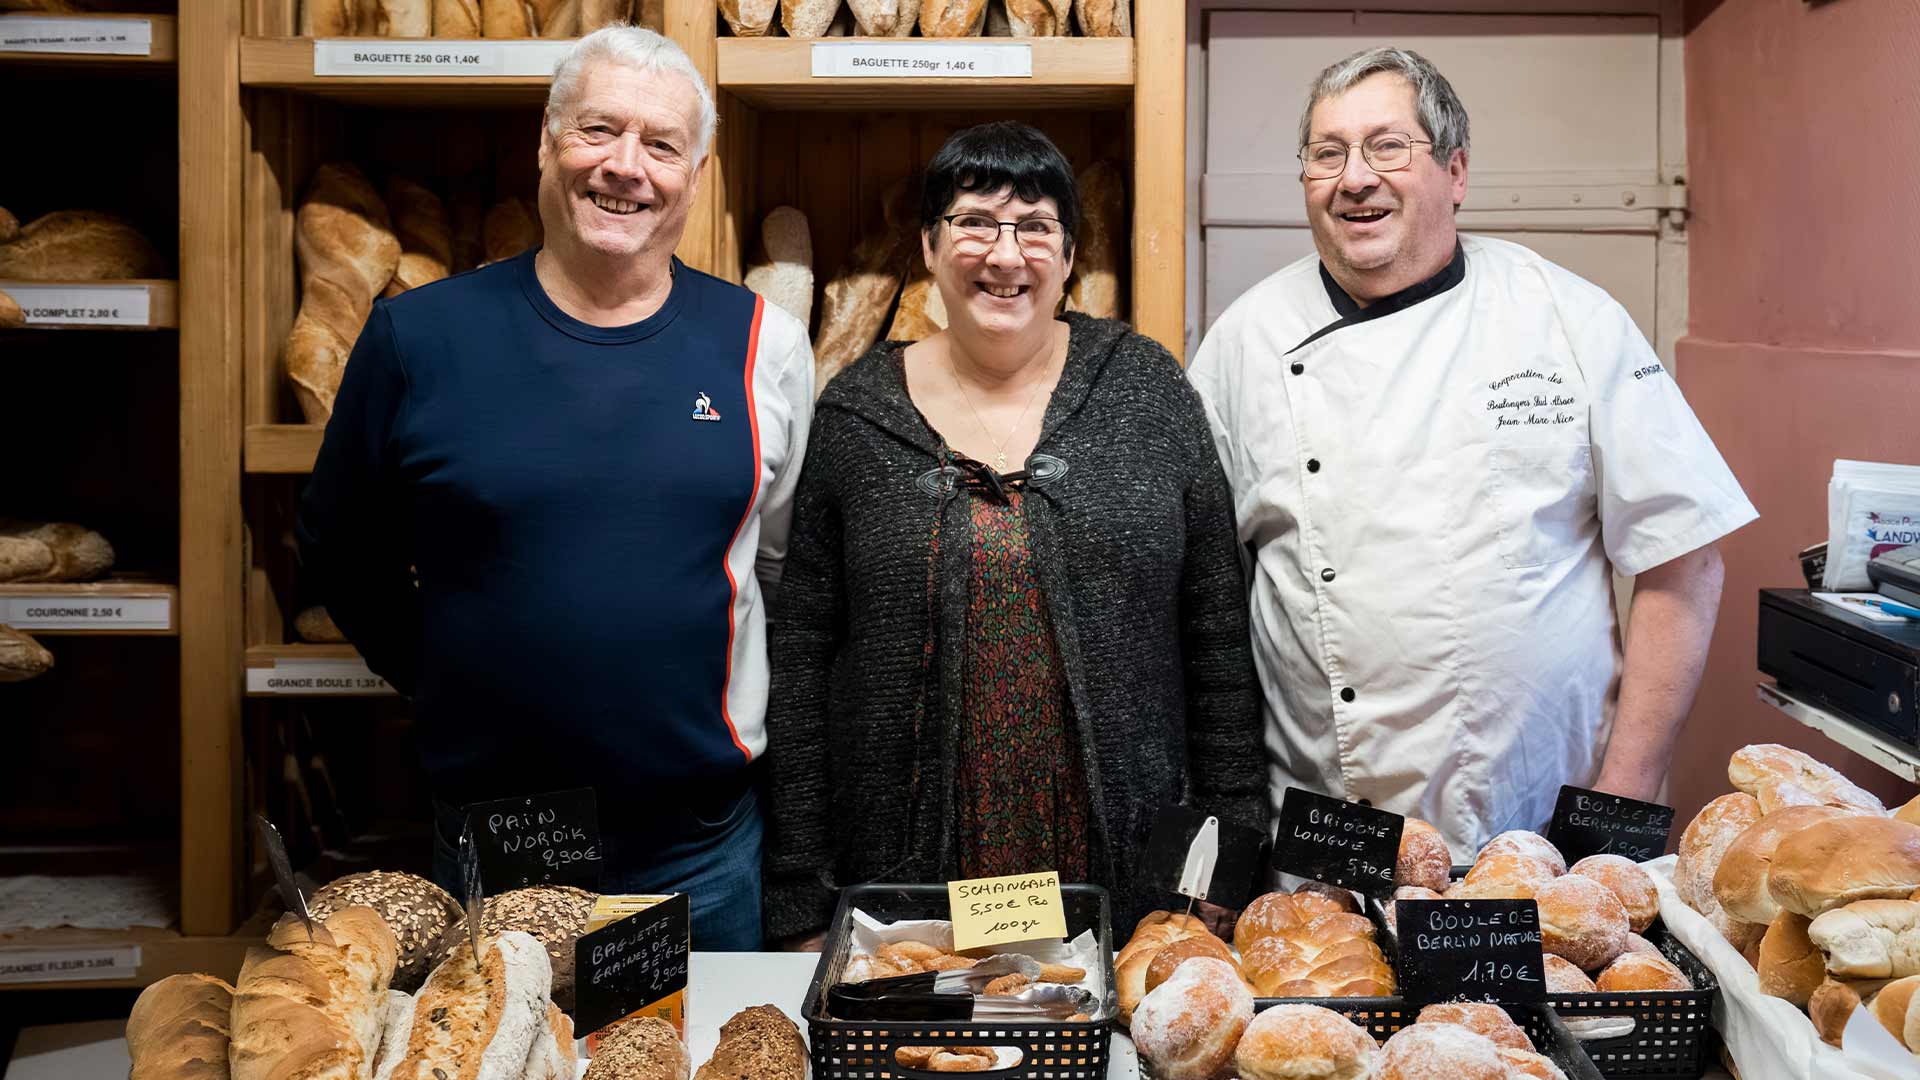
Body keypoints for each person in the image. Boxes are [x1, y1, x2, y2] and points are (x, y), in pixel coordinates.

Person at [295, 26, 813, 949]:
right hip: (502, 838)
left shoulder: (762, 342)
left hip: (699, 846)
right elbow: (340, 545)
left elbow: (772, 562)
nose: (626, 168)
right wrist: (443, 674)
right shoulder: (417, 339)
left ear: (696, 173)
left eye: (661, 146)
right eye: (597, 131)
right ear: (545, 142)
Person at [1188, 47, 1757, 857]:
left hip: (1534, 827)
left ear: (1455, 172)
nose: (1356, 177)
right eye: (1327, 153)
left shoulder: (1567, 319)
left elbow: (1685, 559)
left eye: (1389, 146)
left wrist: (1620, 805)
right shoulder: (1244, 343)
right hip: (1323, 831)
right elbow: (1203, 597)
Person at [761, 122, 1267, 945]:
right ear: (928, 247)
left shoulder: (1147, 391)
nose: (1006, 255)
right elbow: (804, 662)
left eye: (1036, 227)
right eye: (973, 223)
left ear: (1069, 256)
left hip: (1127, 871)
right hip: (906, 883)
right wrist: (798, 894)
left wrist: (1226, 863)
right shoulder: (857, 416)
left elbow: (1216, 636)